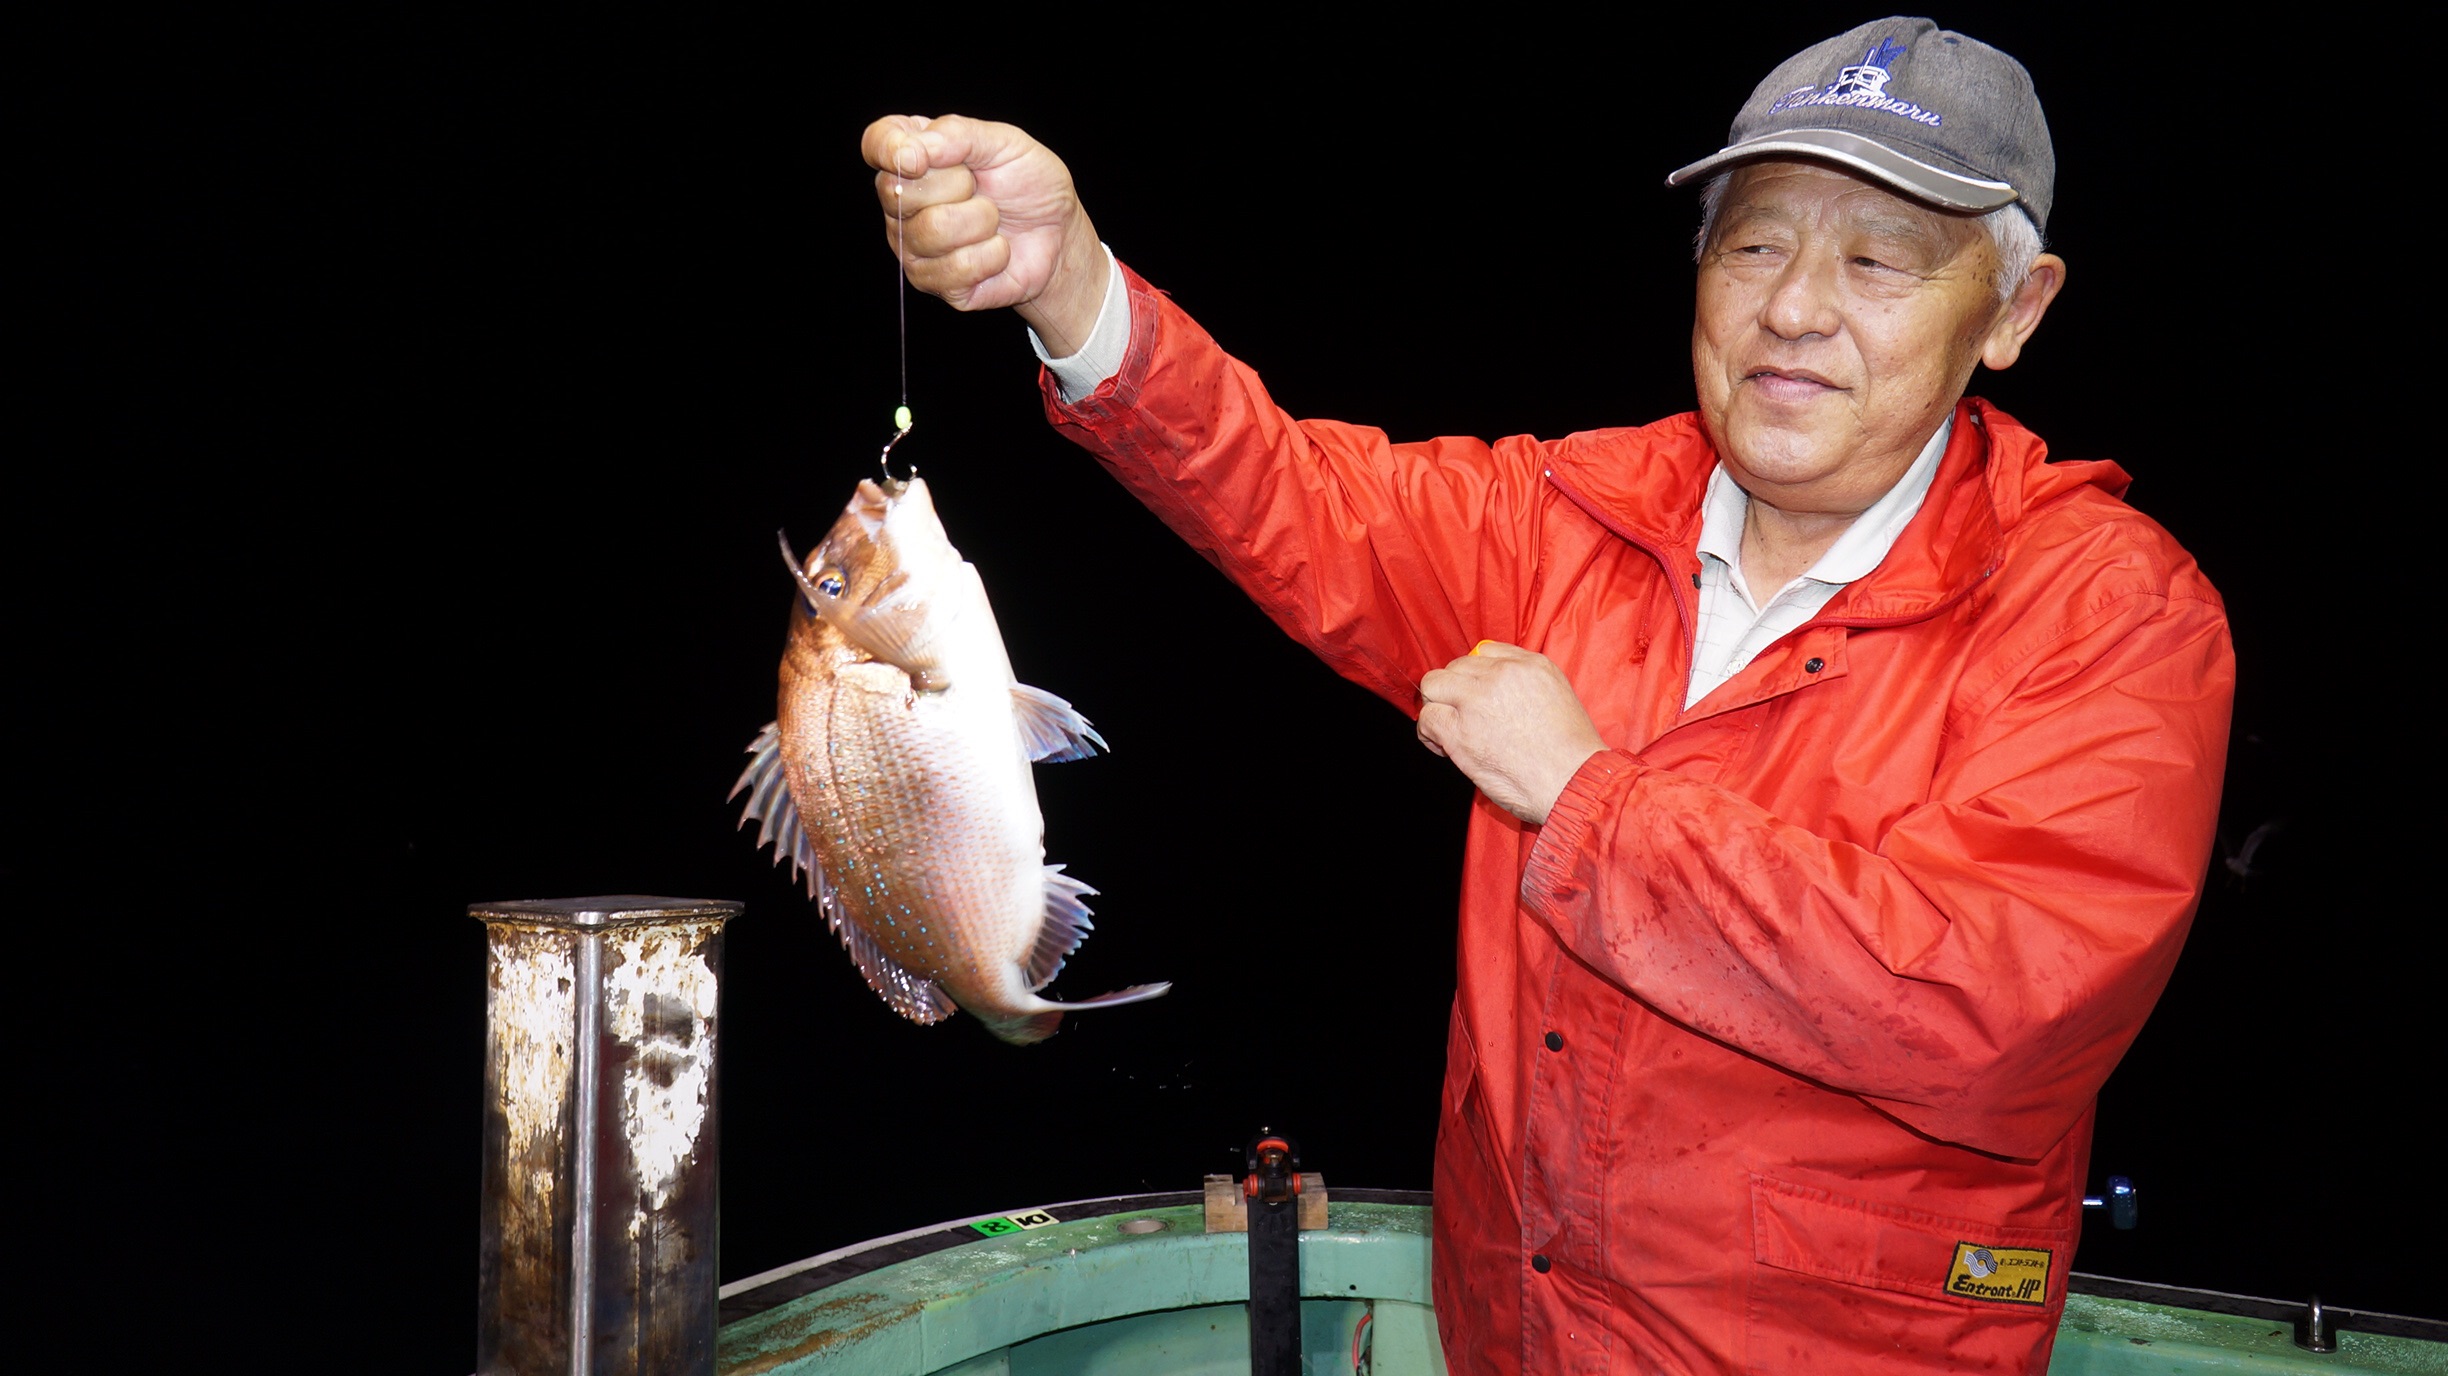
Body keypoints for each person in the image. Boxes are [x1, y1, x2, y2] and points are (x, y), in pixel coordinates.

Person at [862, 17, 2232, 1374]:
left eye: (1878, 260)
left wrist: (1589, 803)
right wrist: (1072, 287)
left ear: (2015, 310)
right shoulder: (1572, 513)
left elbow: (1995, 1016)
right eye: (1755, 246)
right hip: (1513, 1333)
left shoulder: (2109, 609)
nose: (1796, 308)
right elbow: (1299, 499)